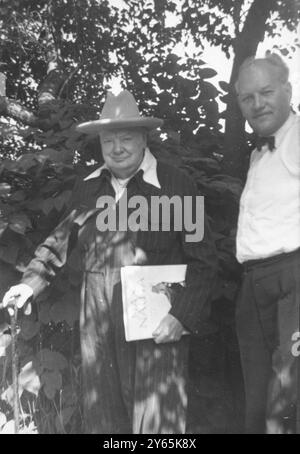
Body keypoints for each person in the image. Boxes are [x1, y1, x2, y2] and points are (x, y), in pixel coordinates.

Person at [3, 90, 217, 434]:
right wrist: (29, 284)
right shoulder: (88, 189)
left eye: (126, 138)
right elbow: (59, 244)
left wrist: (182, 315)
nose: (117, 148)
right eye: (108, 140)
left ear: (144, 138)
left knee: (157, 424)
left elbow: (205, 261)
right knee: (103, 419)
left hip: (157, 328)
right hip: (98, 326)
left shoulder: (177, 186)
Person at [235, 53, 300, 434]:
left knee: (289, 394)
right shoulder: (260, 151)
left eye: (266, 92)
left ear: (288, 91)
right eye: (247, 98)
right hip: (255, 282)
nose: (257, 104)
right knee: (259, 394)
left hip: (293, 278)